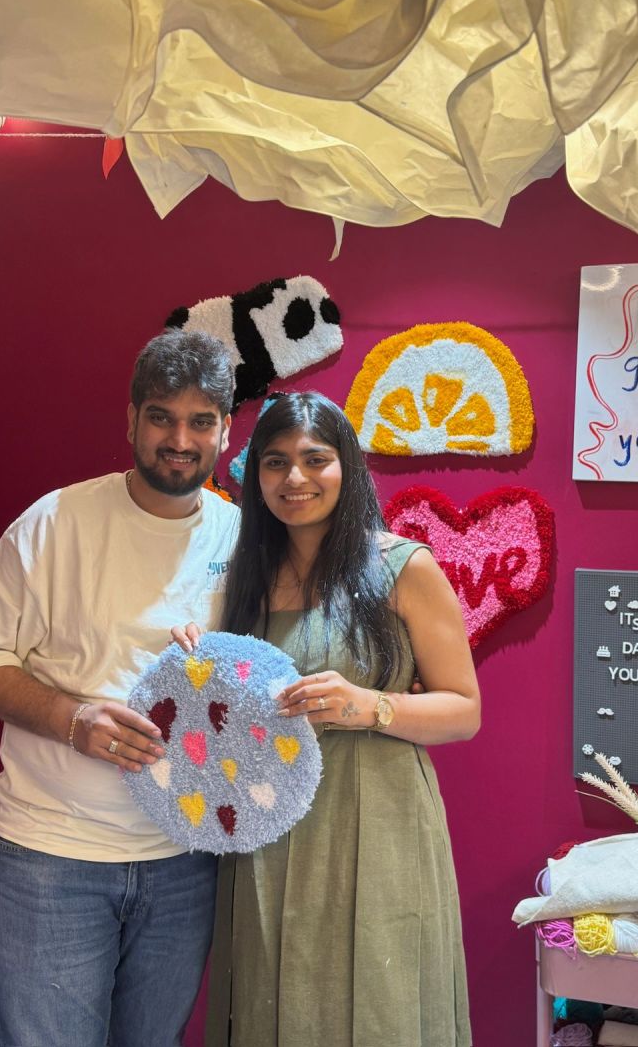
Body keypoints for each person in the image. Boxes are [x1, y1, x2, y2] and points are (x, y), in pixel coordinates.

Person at [0, 329, 239, 1047]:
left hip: (184, 859)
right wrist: (71, 718)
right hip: (53, 854)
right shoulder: (53, 524)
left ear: (226, 431)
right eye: (161, 417)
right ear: (132, 419)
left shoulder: (242, 537)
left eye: (200, 421)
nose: (180, 439)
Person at [172, 391, 480, 1046]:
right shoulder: (246, 577)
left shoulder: (402, 566)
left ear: (347, 467)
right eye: (275, 462)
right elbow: (227, 716)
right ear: (256, 476)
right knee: (272, 998)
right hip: (269, 822)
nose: (295, 478)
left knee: (378, 1000)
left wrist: (369, 705)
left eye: (315, 459)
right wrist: (200, 663)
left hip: (378, 817)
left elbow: (464, 710)